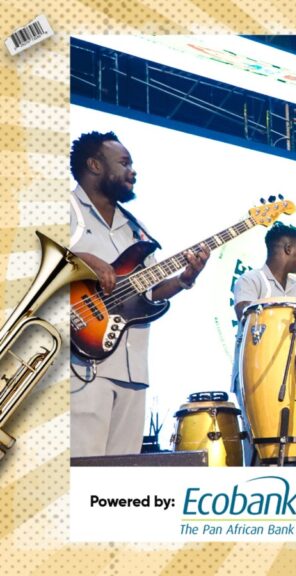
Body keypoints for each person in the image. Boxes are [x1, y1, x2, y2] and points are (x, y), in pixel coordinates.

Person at [69, 131, 209, 457]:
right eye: (124, 163)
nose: (133, 171)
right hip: (82, 363)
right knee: (81, 470)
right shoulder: (63, 209)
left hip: (133, 370)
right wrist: (85, 260)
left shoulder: (136, 228)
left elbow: (151, 291)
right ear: (94, 165)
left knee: (122, 476)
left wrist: (184, 279)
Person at [231, 222, 296, 464]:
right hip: (257, 375)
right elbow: (243, 312)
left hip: (293, 373)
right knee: (262, 446)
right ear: (287, 249)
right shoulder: (250, 280)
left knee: (295, 443)